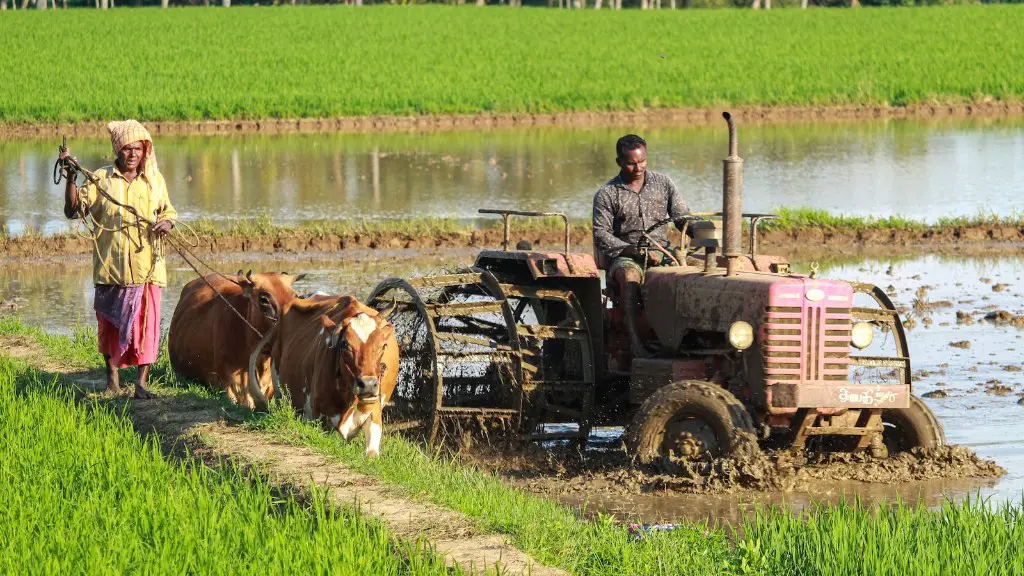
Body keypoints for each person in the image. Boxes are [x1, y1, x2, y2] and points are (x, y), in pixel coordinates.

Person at [60, 120, 176, 398]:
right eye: (127, 149)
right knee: (109, 327)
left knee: (146, 326)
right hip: (111, 268)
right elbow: (73, 210)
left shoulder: (154, 181)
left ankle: (141, 384)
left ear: (144, 151)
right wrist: (71, 177)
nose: (133, 154)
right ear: (117, 151)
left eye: (137, 149)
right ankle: (112, 378)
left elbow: (169, 212)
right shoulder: (100, 179)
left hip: (148, 268)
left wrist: (167, 223)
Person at [592, 134, 690, 358]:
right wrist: (632, 250)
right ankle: (636, 343)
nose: (638, 167)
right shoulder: (607, 194)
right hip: (626, 255)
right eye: (631, 163)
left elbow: (682, 216)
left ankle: (683, 338)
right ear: (619, 162)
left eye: (642, 161)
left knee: (697, 270)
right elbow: (601, 234)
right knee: (629, 277)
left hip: (663, 252)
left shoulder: (663, 183)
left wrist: (699, 230)